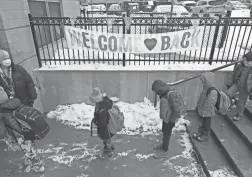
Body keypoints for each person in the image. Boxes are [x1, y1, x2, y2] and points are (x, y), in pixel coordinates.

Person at [0, 49, 44, 173]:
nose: (7, 60)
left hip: (22, 106)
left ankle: (35, 161)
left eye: (8, 57)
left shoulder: (18, 69)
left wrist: (32, 98)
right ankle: (30, 157)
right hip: (9, 110)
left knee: (25, 137)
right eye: (3, 59)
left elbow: (29, 82)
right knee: (24, 138)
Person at [152, 80, 185, 155]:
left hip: (170, 120)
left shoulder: (171, 95)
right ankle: (163, 145)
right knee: (164, 132)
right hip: (166, 119)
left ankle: (164, 150)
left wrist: (172, 121)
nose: (157, 94)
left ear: (160, 89)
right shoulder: (165, 94)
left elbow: (176, 110)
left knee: (167, 134)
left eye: (157, 92)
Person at [226, 51, 252, 121]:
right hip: (237, 83)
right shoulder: (239, 66)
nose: (246, 63)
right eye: (245, 61)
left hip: (246, 88)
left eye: (248, 62)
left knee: (241, 102)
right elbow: (233, 74)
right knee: (228, 93)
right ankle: (230, 103)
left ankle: (239, 115)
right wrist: (230, 83)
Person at [89, 87, 115, 158]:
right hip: (106, 127)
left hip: (104, 128)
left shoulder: (102, 110)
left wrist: (96, 123)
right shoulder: (103, 102)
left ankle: (108, 153)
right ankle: (110, 147)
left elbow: (102, 123)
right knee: (107, 139)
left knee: (106, 139)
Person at [193, 72, 218, 142]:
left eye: (203, 80)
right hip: (202, 109)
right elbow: (202, 98)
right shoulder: (205, 88)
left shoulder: (212, 91)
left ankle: (205, 135)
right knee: (202, 122)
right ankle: (201, 132)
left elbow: (210, 103)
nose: (202, 82)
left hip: (207, 112)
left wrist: (205, 111)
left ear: (208, 80)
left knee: (206, 124)